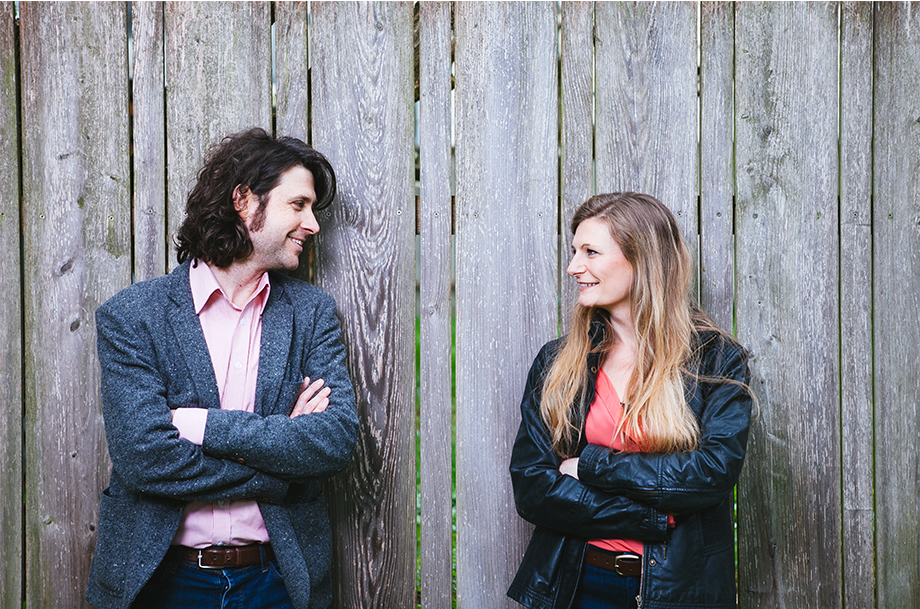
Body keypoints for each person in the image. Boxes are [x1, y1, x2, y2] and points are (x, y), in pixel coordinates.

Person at [85, 128, 358, 609]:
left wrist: (199, 425)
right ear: (244, 201)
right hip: (162, 581)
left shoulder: (311, 313)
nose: (313, 224)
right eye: (298, 205)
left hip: (276, 581)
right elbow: (144, 458)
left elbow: (333, 440)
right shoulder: (133, 316)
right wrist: (280, 464)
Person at [507, 193, 754, 609]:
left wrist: (590, 466)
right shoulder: (558, 361)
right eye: (574, 251)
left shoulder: (715, 359)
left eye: (591, 252)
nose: (573, 267)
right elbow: (533, 486)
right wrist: (651, 517)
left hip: (679, 590)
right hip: (579, 582)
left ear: (641, 260)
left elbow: (710, 474)